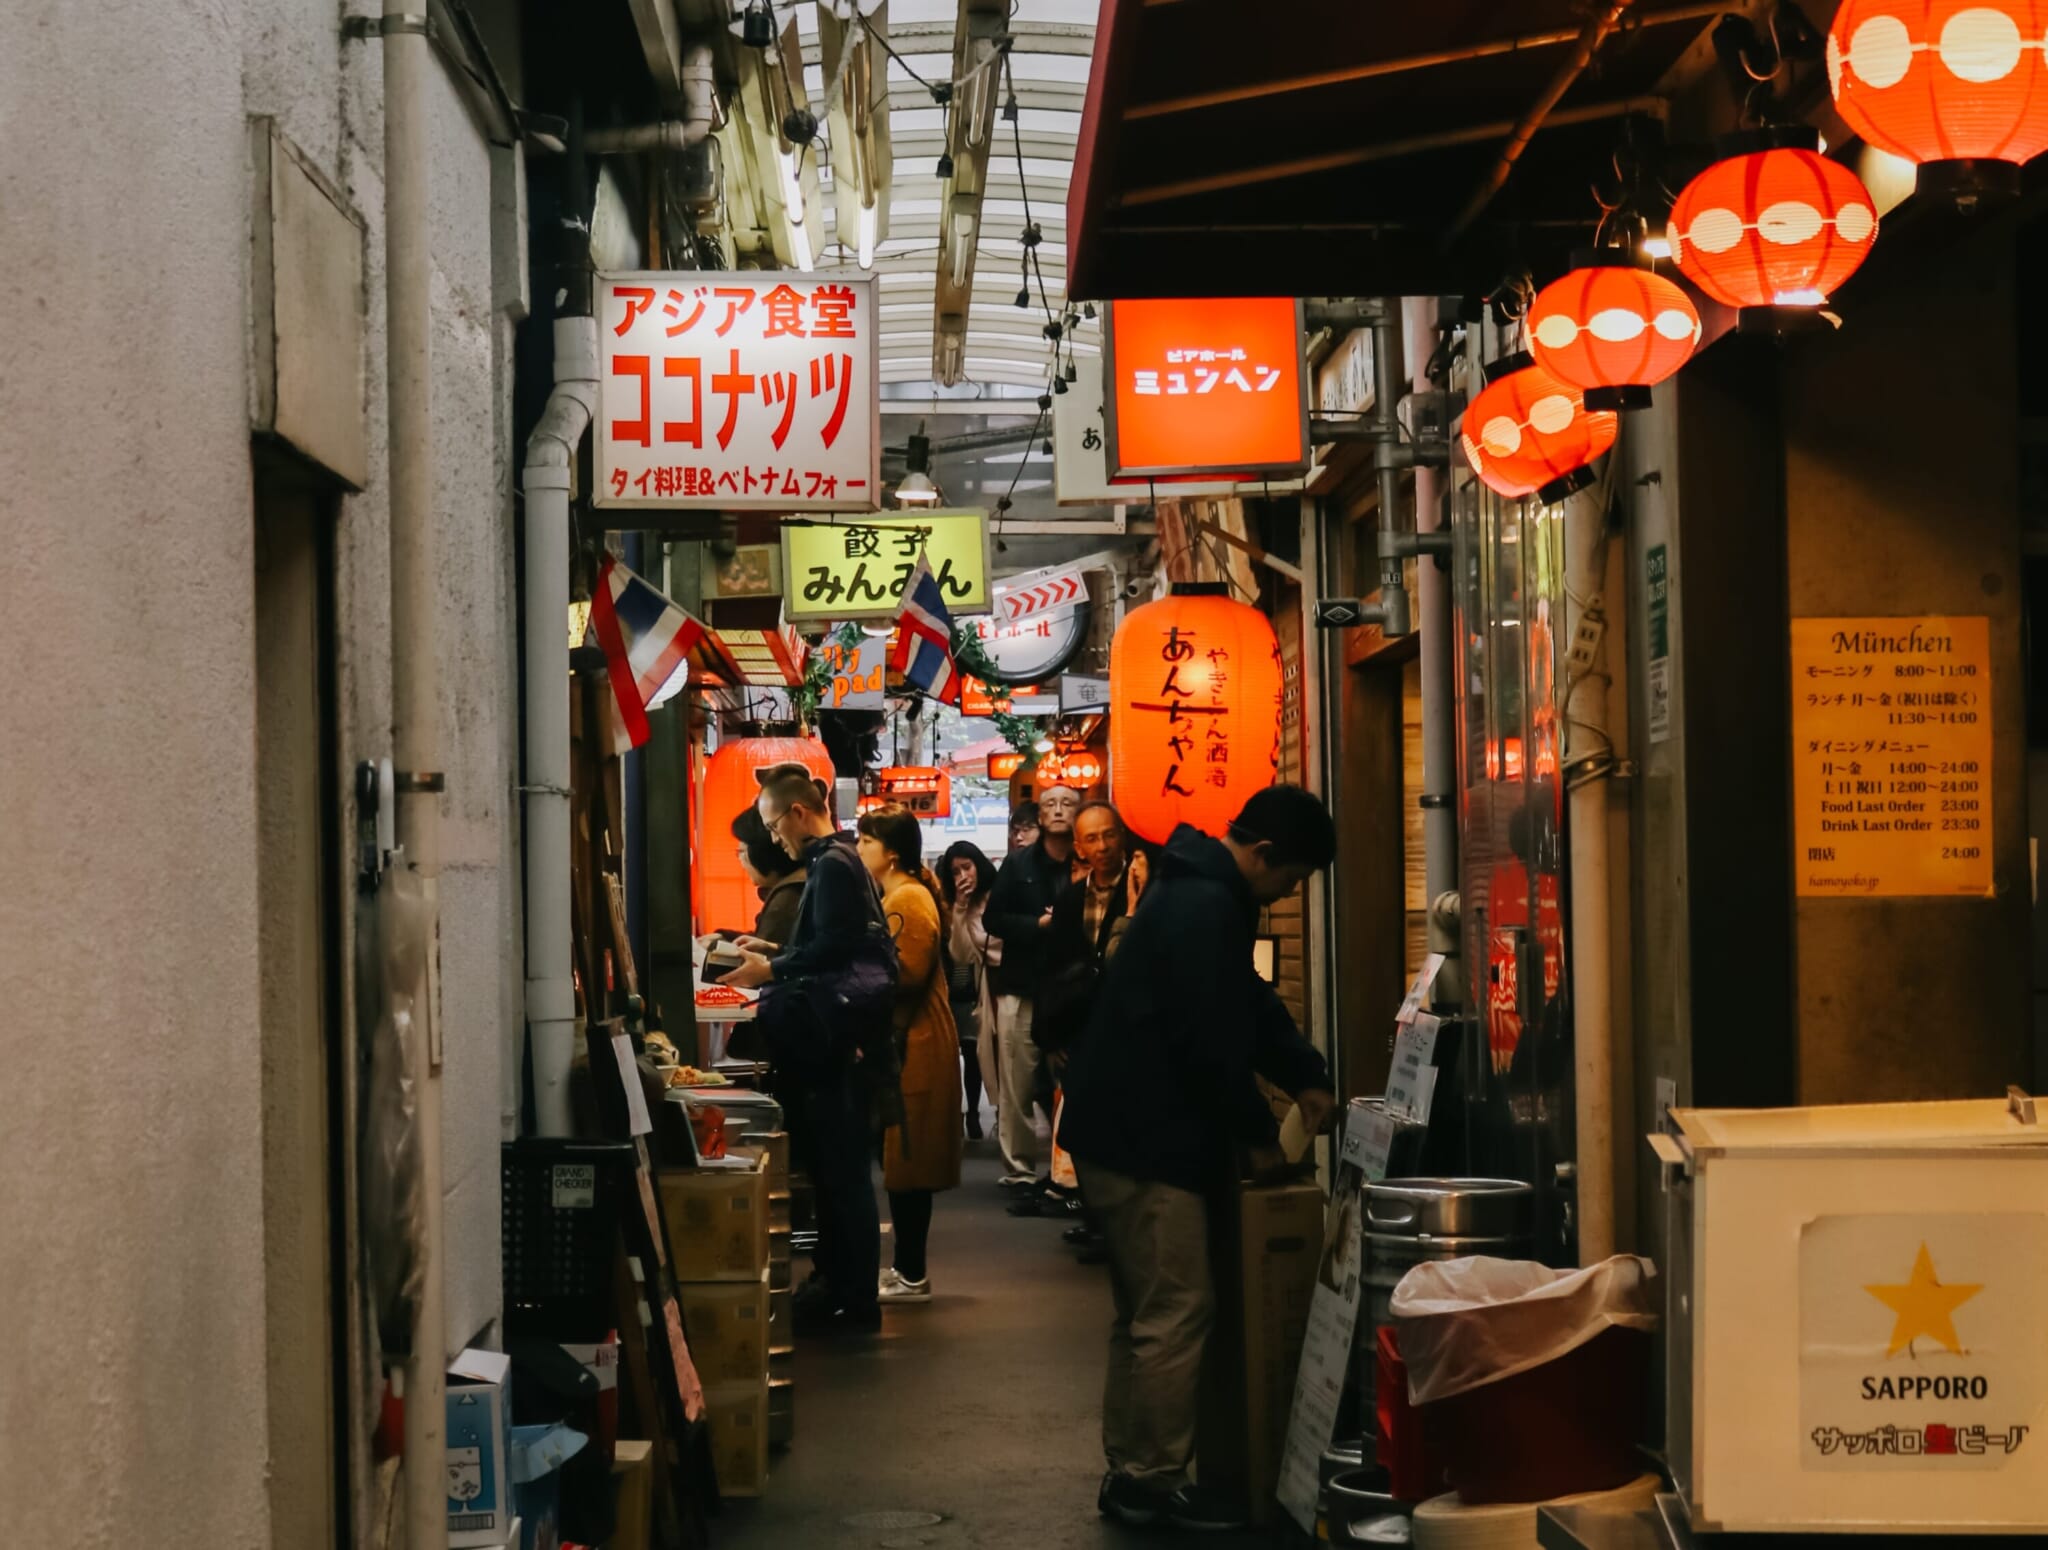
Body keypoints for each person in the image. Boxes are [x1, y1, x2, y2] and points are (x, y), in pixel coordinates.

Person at [1060, 785, 1341, 1532]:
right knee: (1178, 1308)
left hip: (1121, 1131)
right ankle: (1147, 1483)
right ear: (1264, 854)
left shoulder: (1199, 890)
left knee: (1147, 1312)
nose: (1291, 892)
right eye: (1294, 877)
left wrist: (1303, 1071)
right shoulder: (1203, 905)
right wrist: (1256, 1133)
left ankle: (1133, 1469)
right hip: (1144, 1138)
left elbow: (1241, 1000)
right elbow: (1208, 1036)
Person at [720, 768, 901, 1336]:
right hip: (841, 1040)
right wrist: (774, 947)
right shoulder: (838, 861)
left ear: (800, 812)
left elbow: (836, 947)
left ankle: (853, 1300)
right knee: (836, 1174)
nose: (774, 839)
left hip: (839, 1043)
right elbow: (828, 943)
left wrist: (770, 966)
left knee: (843, 1176)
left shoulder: (834, 863)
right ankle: (843, 1291)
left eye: (775, 825)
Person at [855, 805, 965, 1304]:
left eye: (865, 842)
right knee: (905, 1161)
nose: (859, 851)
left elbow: (906, 974)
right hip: (911, 1040)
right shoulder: (903, 894)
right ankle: (905, 1268)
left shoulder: (909, 898)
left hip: (918, 1042)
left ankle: (912, 1273)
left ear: (892, 852)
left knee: (909, 1162)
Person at [983, 784, 1080, 1188]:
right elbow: (993, 920)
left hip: (1074, 991)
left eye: (1067, 804)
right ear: (1040, 816)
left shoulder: (1088, 863)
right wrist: (1036, 926)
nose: (1058, 810)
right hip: (1022, 986)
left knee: (1074, 1083)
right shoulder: (1018, 864)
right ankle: (1019, 1171)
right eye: (1050, 805)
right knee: (1018, 1085)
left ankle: (1072, 1172)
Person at [939, 841, 998, 1140]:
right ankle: (974, 1113)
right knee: (973, 1055)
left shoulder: (999, 894)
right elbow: (960, 953)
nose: (963, 875)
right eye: (955, 871)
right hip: (970, 993)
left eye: (967, 867)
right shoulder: (960, 907)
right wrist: (960, 907)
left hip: (1005, 987)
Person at [732, 804, 806, 949]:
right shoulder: (798, 882)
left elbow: (763, 960)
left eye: (741, 851)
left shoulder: (788, 897)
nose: (739, 859)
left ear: (763, 852)